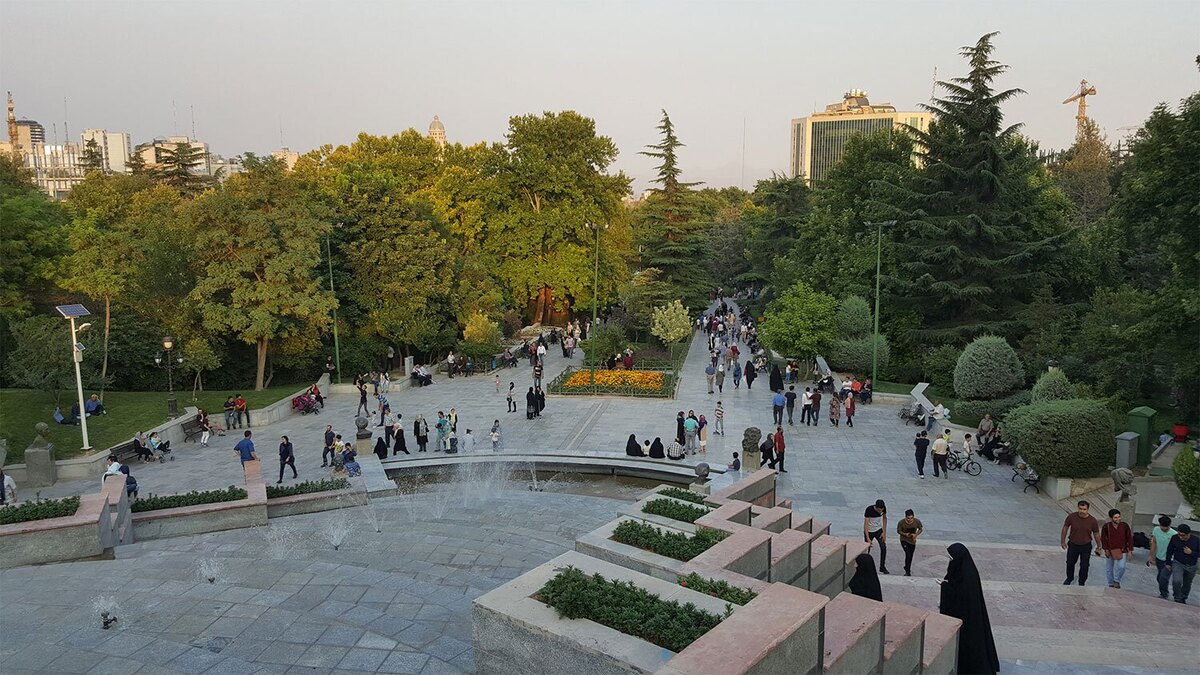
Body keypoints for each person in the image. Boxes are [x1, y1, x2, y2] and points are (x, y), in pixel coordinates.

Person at [938, 544, 1000, 675]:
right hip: (970, 617)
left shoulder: (968, 577)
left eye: (951, 558)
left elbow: (960, 596)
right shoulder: (967, 572)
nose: (950, 561)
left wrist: (945, 587)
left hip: (968, 621)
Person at [1060, 500, 1102, 586]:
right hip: (1073, 544)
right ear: (1078, 508)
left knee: (1084, 565)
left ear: (1087, 510)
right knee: (1070, 563)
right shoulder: (1071, 517)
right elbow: (1065, 528)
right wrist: (1062, 541)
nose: (1082, 511)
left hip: (1086, 546)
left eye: (1084, 509)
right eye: (1080, 508)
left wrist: (1099, 546)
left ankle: (1081, 582)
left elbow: (1096, 534)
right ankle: (1069, 578)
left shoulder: (1092, 520)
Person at [1165, 523, 1198, 604]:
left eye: (1183, 535)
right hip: (1178, 562)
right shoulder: (1175, 538)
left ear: (1188, 534)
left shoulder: (1196, 540)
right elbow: (1169, 550)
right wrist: (1168, 563)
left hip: (1191, 565)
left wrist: (1191, 552)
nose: (1181, 537)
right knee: (1177, 580)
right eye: (1179, 535)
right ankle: (1177, 597)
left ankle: (1183, 597)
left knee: (1187, 583)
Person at [1147, 515, 1178, 599]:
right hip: (1159, 558)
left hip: (1170, 560)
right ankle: (1164, 591)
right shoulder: (1156, 530)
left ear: (1169, 525)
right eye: (1162, 526)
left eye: (1166, 527)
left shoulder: (1174, 534)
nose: (1164, 528)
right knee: (1159, 577)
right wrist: (1150, 555)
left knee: (1163, 577)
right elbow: (1154, 543)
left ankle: (1164, 594)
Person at [1101, 508, 1133, 589]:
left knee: (1122, 567)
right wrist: (1106, 549)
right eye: (1115, 517)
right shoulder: (1106, 527)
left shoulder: (1124, 526)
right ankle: (1111, 583)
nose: (1118, 519)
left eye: (1119, 517)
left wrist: (1130, 550)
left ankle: (1116, 580)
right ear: (1111, 518)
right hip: (1110, 550)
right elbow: (1103, 539)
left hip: (1122, 550)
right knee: (1109, 568)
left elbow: (1129, 538)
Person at [864, 499, 889, 574]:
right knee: (867, 549)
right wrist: (868, 538)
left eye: (881, 510)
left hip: (878, 530)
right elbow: (865, 524)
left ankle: (882, 567)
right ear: (876, 507)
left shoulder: (883, 509)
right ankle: (865, 567)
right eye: (879, 510)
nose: (880, 511)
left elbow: (884, 518)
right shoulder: (869, 510)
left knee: (883, 547)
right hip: (869, 531)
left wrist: (884, 532)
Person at [897, 509, 924, 576]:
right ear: (905, 517)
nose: (910, 520)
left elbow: (920, 529)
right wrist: (905, 534)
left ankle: (907, 567)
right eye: (908, 518)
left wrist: (916, 535)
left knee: (910, 556)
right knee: (908, 554)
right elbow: (898, 531)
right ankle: (908, 571)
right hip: (904, 540)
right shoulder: (901, 522)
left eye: (911, 518)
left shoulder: (917, 521)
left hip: (912, 541)